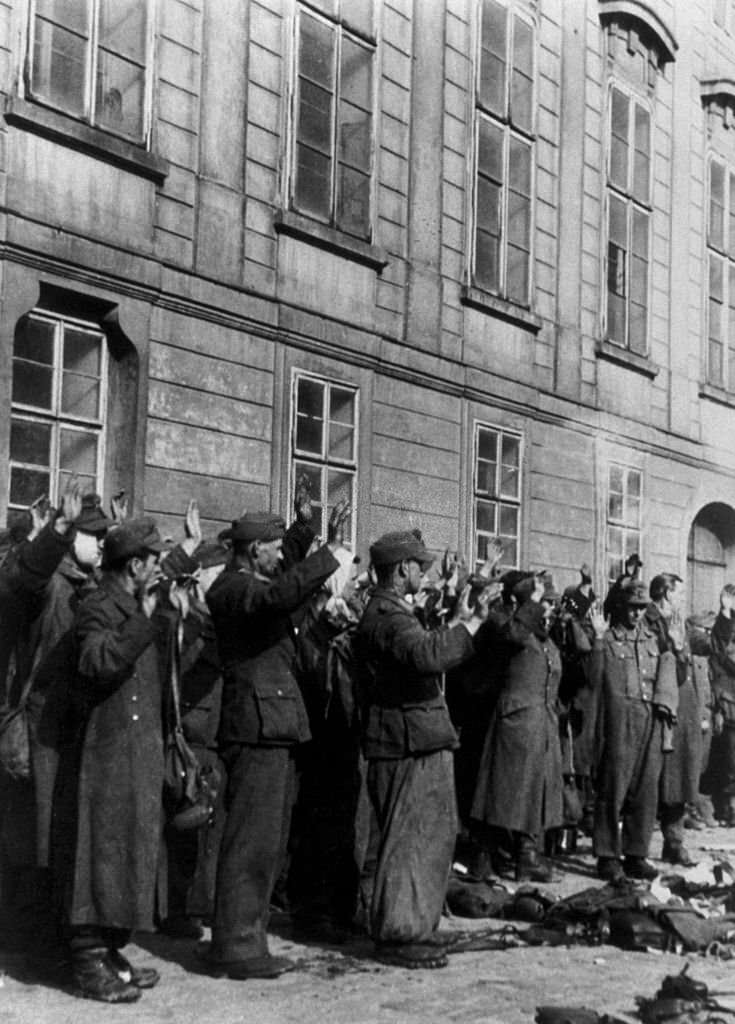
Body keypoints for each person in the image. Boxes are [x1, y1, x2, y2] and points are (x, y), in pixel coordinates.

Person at [204, 506, 345, 980]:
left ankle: (248, 938)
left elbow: (284, 591)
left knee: (265, 843)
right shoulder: (235, 587)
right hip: (255, 725)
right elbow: (279, 596)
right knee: (250, 842)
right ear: (253, 549)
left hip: (272, 723)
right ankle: (236, 947)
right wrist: (329, 553)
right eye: (273, 547)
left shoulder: (252, 584)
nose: (277, 555)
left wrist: (304, 533)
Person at [357, 530, 490, 970]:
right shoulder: (388, 617)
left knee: (423, 838)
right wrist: (468, 626)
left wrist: (459, 614)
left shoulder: (391, 612)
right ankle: (401, 933)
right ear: (400, 571)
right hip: (408, 743)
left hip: (415, 738)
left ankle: (412, 926)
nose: (424, 572)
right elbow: (425, 656)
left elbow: (425, 647)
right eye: (419, 566)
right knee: (409, 842)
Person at [52, 516, 172, 1003]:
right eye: (156, 560)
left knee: (128, 853)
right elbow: (97, 662)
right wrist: (143, 618)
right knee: (98, 854)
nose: (161, 567)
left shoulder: (132, 602)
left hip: (134, 751)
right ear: (136, 565)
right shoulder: (98, 605)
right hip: (106, 754)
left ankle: (111, 948)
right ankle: (87, 959)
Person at [471, 574, 564, 883]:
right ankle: (483, 857)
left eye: (550, 603)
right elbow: (511, 635)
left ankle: (526, 856)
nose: (549, 609)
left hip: (539, 723)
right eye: (545, 602)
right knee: (501, 792)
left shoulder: (541, 635)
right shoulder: (507, 623)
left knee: (531, 792)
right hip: (516, 722)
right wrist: (533, 602)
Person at [591, 580, 668, 881]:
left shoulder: (651, 639)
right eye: (632, 608)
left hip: (648, 719)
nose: (636, 614)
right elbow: (594, 680)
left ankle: (636, 853)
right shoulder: (608, 639)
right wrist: (597, 641)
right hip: (619, 720)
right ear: (622, 607)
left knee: (646, 789)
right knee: (614, 788)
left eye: (641, 608)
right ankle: (608, 855)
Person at [645, 575, 700, 866]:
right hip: (663, 704)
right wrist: (676, 646)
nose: (683, 597)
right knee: (653, 776)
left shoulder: (681, 620)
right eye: (679, 592)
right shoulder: (650, 619)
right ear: (666, 592)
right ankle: (633, 847)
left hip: (684, 704)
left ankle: (674, 841)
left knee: (678, 775)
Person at [709, 584, 735, 824]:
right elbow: (722, 653)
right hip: (729, 703)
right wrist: (726, 612)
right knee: (729, 757)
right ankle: (727, 808)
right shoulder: (724, 627)